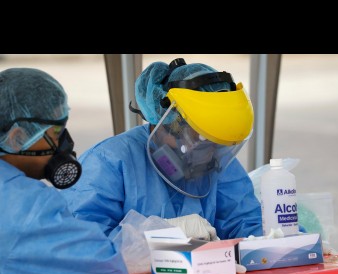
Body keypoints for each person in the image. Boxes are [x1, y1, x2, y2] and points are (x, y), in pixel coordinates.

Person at [62, 58, 263, 241]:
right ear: (163, 122)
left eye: (216, 142)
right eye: (198, 139)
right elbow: (85, 248)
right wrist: (161, 234)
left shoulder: (217, 161)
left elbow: (248, 228)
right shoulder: (108, 162)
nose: (208, 152)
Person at [0, 67, 128, 274]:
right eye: (56, 134)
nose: (64, 145)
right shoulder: (24, 207)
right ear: (17, 137)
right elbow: (105, 270)